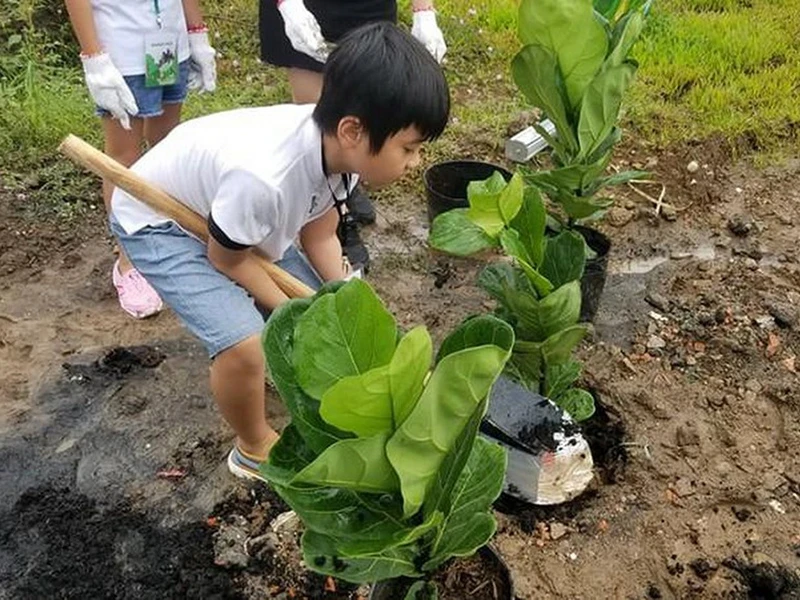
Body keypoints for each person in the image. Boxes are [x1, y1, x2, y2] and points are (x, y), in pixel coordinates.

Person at [108, 22, 450, 480]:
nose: (415, 162)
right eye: (409, 148)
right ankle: (253, 447)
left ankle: (324, 400)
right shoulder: (266, 178)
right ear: (353, 130)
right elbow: (226, 260)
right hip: (161, 221)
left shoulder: (342, 155)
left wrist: (344, 298)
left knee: (320, 318)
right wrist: (293, 310)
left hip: (230, 219)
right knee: (244, 343)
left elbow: (319, 236)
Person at [259, 0, 447, 269]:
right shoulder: (259, 181)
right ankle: (331, 209)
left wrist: (423, 11)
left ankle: (344, 185)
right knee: (323, 117)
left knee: (374, 90)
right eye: (409, 150)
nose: (416, 161)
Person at [65, 0, 217, 319]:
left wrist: (197, 32)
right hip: (121, 51)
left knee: (167, 144)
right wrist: (93, 57)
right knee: (125, 157)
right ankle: (129, 260)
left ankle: (172, 239)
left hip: (169, 44)